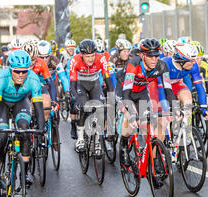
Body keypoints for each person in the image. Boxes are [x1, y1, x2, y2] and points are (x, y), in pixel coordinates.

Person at [0, 50, 45, 197]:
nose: (21, 75)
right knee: (1, 139)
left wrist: (41, 130)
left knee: (25, 130)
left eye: (24, 72)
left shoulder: (33, 79)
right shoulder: (1, 77)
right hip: (3, 104)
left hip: (21, 102)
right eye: (17, 71)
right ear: (10, 69)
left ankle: (25, 173)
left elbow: (38, 107)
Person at [119, 38, 176, 168]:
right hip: (124, 91)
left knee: (147, 123)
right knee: (131, 121)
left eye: (156, 56)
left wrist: (175, 108)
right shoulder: (133, 65)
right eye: (150, 56)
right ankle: (124, 143)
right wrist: (132, 114)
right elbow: (126, 95)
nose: (154, 60)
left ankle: (151, 158)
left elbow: (168, 90)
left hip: (141, 92)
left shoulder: (162, 66)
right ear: (142, 55)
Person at [69, 39, 114, 155]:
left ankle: (98, 141)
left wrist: (111, 98)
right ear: (82, 55)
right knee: (84, 107)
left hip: (94, 84)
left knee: (101, 109)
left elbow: (108, 80)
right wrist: (77, 98)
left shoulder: (101, 59)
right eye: (87, 56)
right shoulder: (75, 60)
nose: (91, 59)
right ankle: (80, 139)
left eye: (93, 55)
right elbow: (72, 85)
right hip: (80, 84)